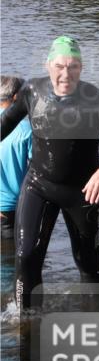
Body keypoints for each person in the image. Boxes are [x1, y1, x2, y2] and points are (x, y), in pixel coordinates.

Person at [0, 37, 99, 309]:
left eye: (73, 66)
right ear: (48, 65)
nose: (66, 74)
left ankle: (93, 319)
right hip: (38, 186)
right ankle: (25, 321)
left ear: (82, 68)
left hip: (83, 192)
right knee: (26, 256)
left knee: (88, 263)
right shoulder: (31, 91)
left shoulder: (96, 99)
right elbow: (4, 123)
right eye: (60, 66)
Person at [1, 76, 31, 241]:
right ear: (16, 98)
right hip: (11, 210)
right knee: (11, 262)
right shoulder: (26, 130)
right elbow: (41, 170)